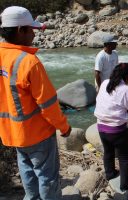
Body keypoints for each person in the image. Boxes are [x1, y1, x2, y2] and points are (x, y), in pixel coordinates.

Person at [0, 6, 72, 200]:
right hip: (37, 133)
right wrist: (64, 127)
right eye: (31, 29)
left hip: (11, 133)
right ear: (19, 30)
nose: (33, 34)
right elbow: (48, 104)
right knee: (47, 177)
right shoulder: (29, 62)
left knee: (27, 172)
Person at [94, 63, 128, 191]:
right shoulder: (127, 90)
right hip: (117, 130)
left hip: (101, 126)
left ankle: (110, 174)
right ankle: (126, 185)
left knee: (108, 152)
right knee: (124, 157)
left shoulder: (105, 83)